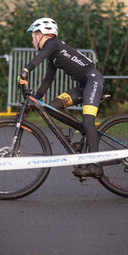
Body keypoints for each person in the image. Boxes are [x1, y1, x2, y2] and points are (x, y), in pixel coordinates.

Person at [19, 17, 104, 178]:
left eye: (33, 37)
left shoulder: (54, 44)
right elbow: (48, 80)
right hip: (83, 86)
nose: (32, 41)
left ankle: (95, 166)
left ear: (41, 34)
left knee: (88, 120)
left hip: (93, 81)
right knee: (52, 107)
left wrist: (26, 70)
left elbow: (39, 58)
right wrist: (35, 99)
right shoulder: (53, 55)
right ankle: (84, 132)